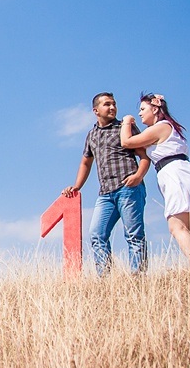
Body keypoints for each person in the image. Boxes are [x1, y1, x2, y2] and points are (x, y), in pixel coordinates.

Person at [120, 93, 190, 269]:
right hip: (188, 172)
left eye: (142, 109)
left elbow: (126, 142)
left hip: (174, 174)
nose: (140, 114)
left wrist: (126, 121)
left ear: (155, 109)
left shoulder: (160, 127)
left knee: (176, 226)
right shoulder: (170, 127)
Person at [62, 92, 150, 276]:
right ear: (96, 110)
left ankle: (138, 277)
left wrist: (138, 176)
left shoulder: (125, 127)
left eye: (114, 104)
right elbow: (86, 161)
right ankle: (104, 278)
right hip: (105, 194)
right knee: (97, 234)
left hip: (128, 187)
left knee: (133, 234)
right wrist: (77, 186)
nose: (112, 108)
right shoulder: (92, 135)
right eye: (107, 104)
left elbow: (144, 156)